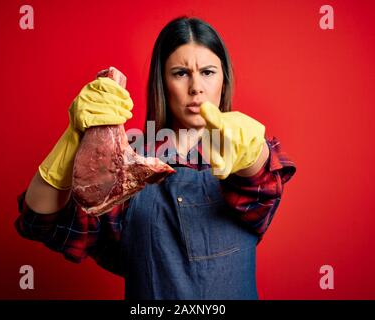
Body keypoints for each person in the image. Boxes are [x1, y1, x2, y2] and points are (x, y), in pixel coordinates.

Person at [15, 16, 296, 300]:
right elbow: (43, 224)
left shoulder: (242, 159)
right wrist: (75, 138)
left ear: (224, 79)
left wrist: (253, 152)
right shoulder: (127, 163)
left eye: (208, 72)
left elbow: (262, 186)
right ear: (162, 82)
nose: (196, 86)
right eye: (180, 73)